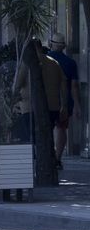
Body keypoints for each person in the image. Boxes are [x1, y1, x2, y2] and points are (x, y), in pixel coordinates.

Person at [46, 34, 79, 171]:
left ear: (50, 44)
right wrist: (77, 105)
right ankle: (58, 158)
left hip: (47, 101)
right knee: (61, 129)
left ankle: (47, 157)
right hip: (65, 102)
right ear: (64, 46)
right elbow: (74, 86)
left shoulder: (44, 60)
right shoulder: (70, 63)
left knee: (46, 129)